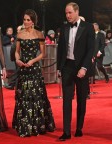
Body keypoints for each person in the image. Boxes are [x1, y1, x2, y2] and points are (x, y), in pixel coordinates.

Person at [12, 9, 55, 137]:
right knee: (23, 96)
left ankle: (37, 126)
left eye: (28, 20)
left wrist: (32, 61)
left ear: (33, 21)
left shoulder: (39, 34)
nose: (25, 22)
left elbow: (43, 53)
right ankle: (24, 125)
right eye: (24, 20)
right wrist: (17, 59)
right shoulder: (20, 34)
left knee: (36, 96)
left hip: (34, 68)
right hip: (23, 69)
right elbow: (17, 51)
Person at [57, 2, 95, 141]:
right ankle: (66, 131)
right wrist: (59, 68)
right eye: (66, 13)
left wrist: (84, 68)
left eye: (70, 13)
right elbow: (60, 49)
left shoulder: (88, 27)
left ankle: (79, 128)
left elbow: (90, 49)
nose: (67, 15)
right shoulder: (64, 27)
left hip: (81, 68)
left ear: (77, 11)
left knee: (81, 100)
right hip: (67, 67)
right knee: (66, 100)